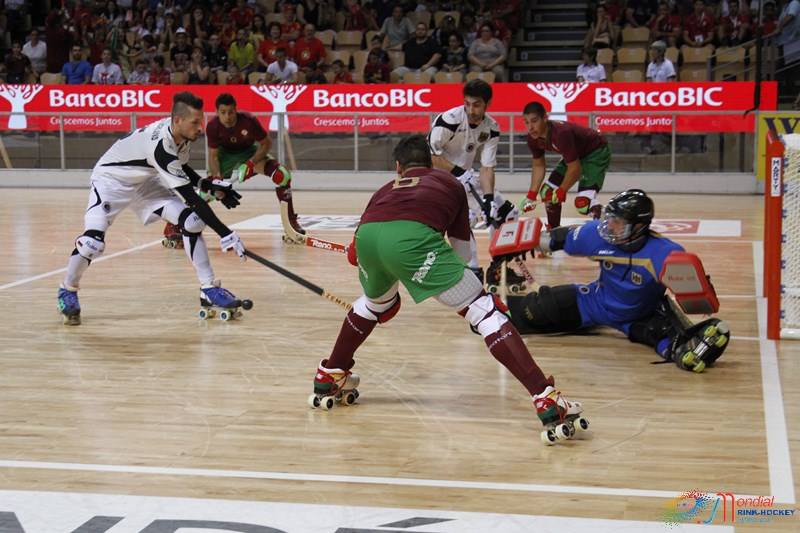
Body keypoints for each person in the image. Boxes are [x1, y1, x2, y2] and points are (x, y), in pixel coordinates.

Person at [308, 134, 587, 445]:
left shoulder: (384, 189)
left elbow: (361, 240)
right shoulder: (450, 184)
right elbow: (460, 250)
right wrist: (461, 287)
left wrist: (360, 253)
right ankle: (544, 396)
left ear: (398, 167)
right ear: (431, 163)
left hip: (369, 238)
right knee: (485, 311)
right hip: (410, 241)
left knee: (376, 305)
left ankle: (330, 373)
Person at [57, 92, 247, 326]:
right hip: (110, 182)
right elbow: (192, 199)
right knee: (92, 243)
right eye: (195, 122)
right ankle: (67, 289)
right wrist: (226, 233)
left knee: (192, 222)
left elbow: (183, 169)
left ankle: (208, 288)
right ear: (177, 120)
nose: (201, 128)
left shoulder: (181, 137)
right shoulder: (161, 146)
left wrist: (207, 184)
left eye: (202, 121)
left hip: (144, 182)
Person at [506, 189, 730, 373]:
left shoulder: (665, 254)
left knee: (669, 343)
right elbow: (553, 240)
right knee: (533, 310)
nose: (610, 226)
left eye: (618, 222)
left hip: (641, 315)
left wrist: (698, 289)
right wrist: (515, 243)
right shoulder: (596, 235)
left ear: (639, 227)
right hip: (596, 302)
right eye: (610, 219)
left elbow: (699, 302)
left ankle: (687, 350)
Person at [163, 93, 304, 246]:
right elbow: (214, 155)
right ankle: (175, 224)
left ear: (236, 110)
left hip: (249, 153)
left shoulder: (249, 121)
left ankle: (291, 223)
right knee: (208, 192)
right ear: (217, 112)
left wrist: (251, 164)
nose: (228, 117)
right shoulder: (213, 126)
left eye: (231, 112)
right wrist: (216, 178)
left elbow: (266, 144)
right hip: (225, 157)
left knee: (282, 175)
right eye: (223, 112)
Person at [429, 79, 521, 290]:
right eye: (467, 104)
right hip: (439, 179)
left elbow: (487, 167)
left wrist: (488, 199)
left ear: (487, 104)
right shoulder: (449, 120)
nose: (471, 110)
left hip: (467, 178)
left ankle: (498, 268)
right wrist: (458, 172)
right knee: (464, 220)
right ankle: (472, 272)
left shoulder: (491, 127)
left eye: (477, 104)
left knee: (507, 213)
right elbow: (429, 155)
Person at [520, 101, 611, 229]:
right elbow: (538, 166)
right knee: (548, 192)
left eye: (534, 121)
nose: (530, 127)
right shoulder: (533, 139)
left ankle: (610, 220)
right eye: (526, 122)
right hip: (577, 154)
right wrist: (531, 195)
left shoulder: (561, 134)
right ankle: (554, 231)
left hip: (595, 152)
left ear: (545, 118)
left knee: (583, 203)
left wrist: (563, 189)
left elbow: (575, 169)